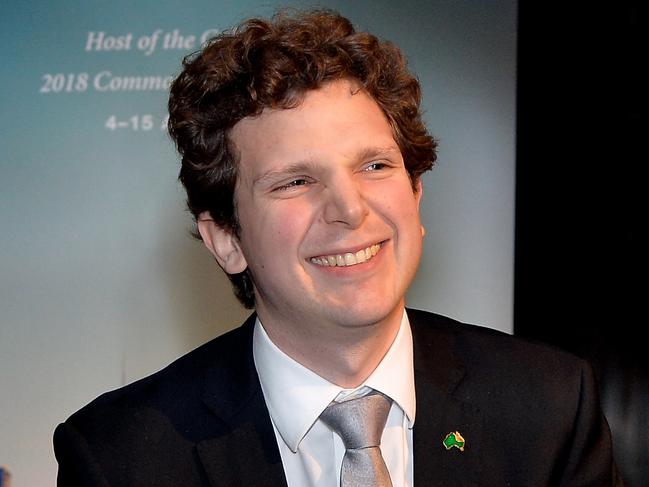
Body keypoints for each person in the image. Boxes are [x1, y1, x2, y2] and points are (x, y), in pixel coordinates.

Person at [53, 9, 621, 486]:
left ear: (416, 197)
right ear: (227, 239)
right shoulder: (119, 457)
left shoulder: (547, 408)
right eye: (296, 181)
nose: (350, 208)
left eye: (375, 166)